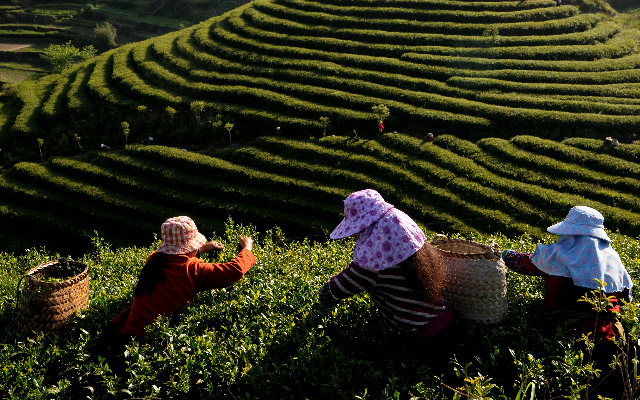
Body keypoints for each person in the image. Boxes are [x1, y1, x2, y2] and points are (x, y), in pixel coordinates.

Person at [318, 190, 455, 375]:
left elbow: (330, 293)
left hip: (423, 342)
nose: (355, 236)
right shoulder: (410, 244)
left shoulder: (371, 265)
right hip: (447, 324)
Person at [502, 206, 633, 399]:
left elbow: (525, 263)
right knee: (611, 390)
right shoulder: (613, 259)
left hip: (571, 333)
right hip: (613, 336)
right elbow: (624, 297)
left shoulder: (558, 254)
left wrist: (506, 254)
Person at [105, 216, 256, 375]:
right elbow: (233, 271)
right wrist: (247, 248)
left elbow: (176, 258)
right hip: (151, 341)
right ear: (189, 246)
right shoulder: (194, 269)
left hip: (125, 332)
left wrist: (201, 250)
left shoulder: (153, 259)